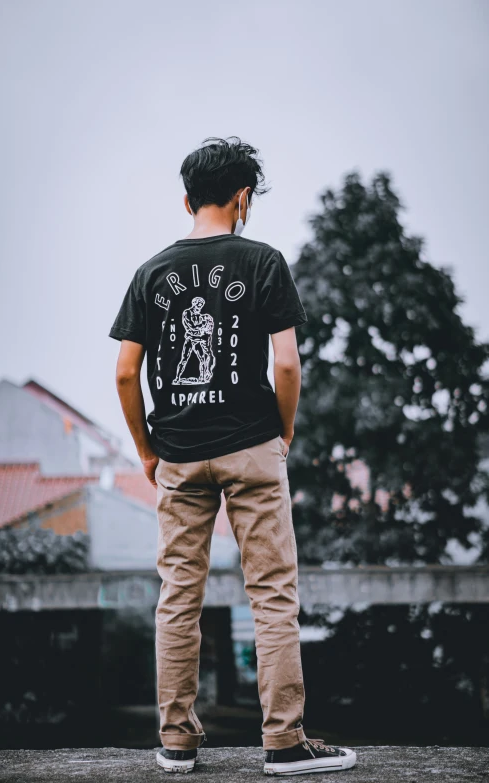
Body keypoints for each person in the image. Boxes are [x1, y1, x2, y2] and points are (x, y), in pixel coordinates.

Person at [109, 136, 357, 776]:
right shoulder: (264, 261)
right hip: (252, 445)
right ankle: (282, 743)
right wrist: (284, 431)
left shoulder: (151, 272)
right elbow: (286, 361)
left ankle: (177, 744)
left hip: (179, 455)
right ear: (243, 197)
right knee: (272, 594)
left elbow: (125, 375)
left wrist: (145, 450)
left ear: (187, 198)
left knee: (178, 597)